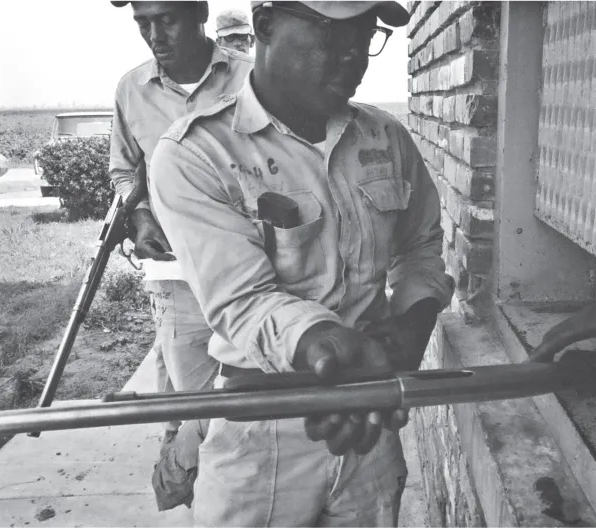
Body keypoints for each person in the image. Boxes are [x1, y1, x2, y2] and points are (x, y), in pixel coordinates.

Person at [149, 1, 454, 525]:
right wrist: (332, 347)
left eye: (366, 35)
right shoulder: (196, 154)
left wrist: (409, 332)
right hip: (263, 423)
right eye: (332, 33)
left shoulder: (386, 139)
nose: (354, 56)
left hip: (370, 418)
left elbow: (421, 246)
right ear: (265, 24)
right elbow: (242, 300)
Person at [108, 0, 253, 450]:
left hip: (253, 276)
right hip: (176, 280)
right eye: (142, 23)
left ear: (200, 12)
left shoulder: (254, 79)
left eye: (167, 19)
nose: (155, 35)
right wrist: (141, 217)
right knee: (190, 411)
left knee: (251, 411)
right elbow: (125, 171)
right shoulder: (131, 89)